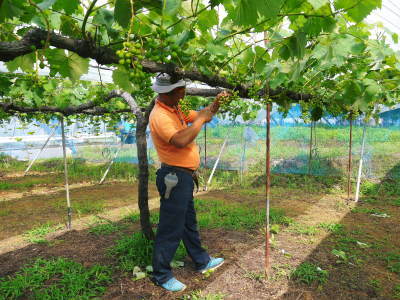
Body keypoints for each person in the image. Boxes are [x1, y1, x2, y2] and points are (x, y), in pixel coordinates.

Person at [149, 73, 229, 292]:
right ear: (168, 93)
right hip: (173, 178)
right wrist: (201, 119)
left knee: (187, 223)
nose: (183, 95)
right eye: (181, 92)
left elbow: (204, 115)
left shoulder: (176, 109)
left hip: (183, 177)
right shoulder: (159, 116)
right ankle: (161, 274)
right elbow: (181, 140)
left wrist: (214, 105)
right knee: (170, 227)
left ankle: (202, 261)